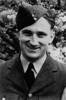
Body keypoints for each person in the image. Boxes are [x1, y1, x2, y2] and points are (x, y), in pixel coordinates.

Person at [0, 4, 66, 100]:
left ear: (51, 37)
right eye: (27, 33)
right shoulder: (1, 73)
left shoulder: (64, 76)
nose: (33, 42)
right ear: (19, 34)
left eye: (41, 34)